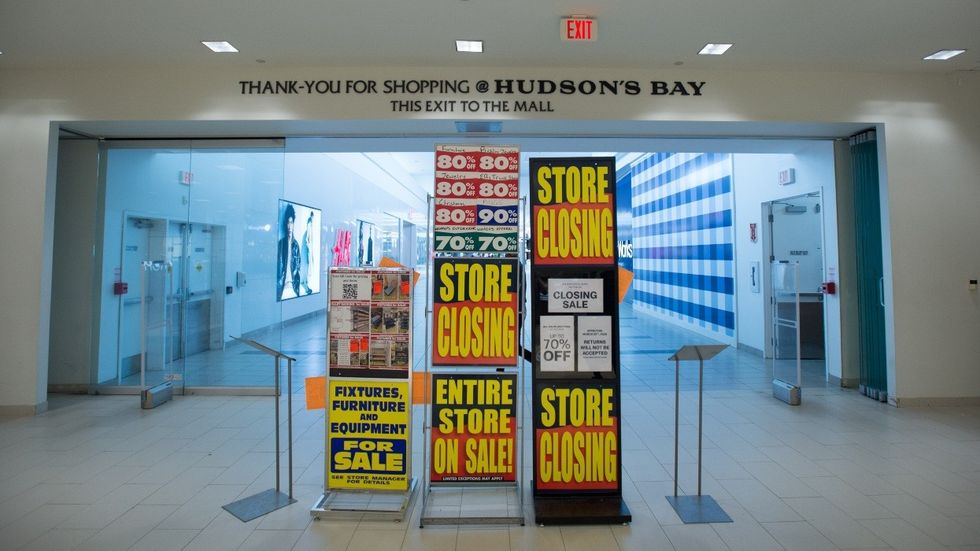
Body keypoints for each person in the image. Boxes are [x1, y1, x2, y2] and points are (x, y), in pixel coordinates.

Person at [277, 204, 301, 299]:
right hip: (282, 288)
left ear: (294, 224)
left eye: (291, 222)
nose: (289, 226)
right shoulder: (281, 243)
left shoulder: (296, 245)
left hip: (293, 288)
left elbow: (298, 266)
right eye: (288, 222)